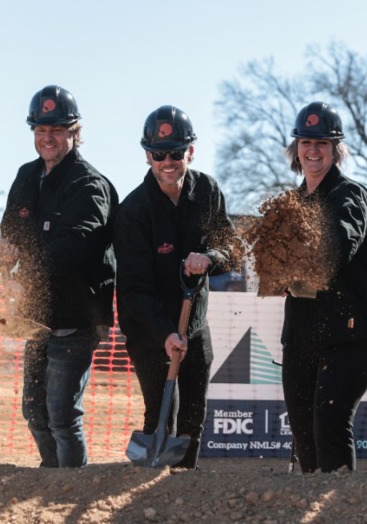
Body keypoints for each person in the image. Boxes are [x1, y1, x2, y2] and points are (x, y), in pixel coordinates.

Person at [0, 85, 118, 468]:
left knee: (62, 415)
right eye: (40, 130)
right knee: (35, 412)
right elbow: (10, 233)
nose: (47, 138)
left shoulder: (89, 185)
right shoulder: (27, 176)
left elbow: (73, 247)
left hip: (77, 316)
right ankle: (51, 477)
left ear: (74, 132)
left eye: (57, 130)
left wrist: (25, 275)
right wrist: (5, 257)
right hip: (36, 316)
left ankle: (69, 486)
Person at [114, 106, 235, 469]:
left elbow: (232, 248)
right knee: (162, 412)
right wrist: (166, 333)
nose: (168, 162)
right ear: (147, 155)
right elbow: (133, 289)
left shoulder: (208, 191)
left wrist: (211, 256)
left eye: (176, 153)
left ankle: (185, 483)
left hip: (195, 325)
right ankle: (152, 489)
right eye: (159, 154)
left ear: (190, 152)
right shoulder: (134, 211)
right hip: (151, 330)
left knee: (194, 413)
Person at [280, 101, 367, 473]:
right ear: (296, 149)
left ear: (336, 150)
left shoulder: (350, 196)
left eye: (322, 143)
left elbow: (339, 247)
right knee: (303, 430)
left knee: (328, 425)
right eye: (306, 142)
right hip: (302, 335)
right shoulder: (291, 203)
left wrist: (298, 252)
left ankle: (336, 506)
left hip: (350, 334)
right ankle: (312, 496)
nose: (313, 150)